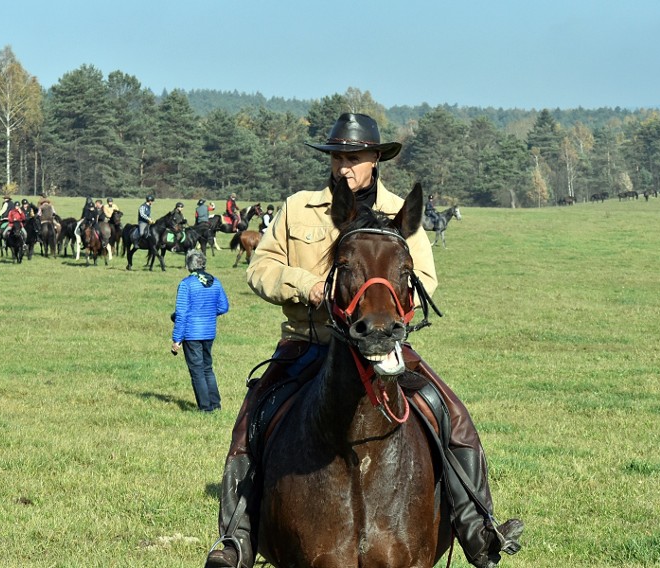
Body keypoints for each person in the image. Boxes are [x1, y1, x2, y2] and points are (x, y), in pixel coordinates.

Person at [205, 113, 523, 568]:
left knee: (448, 411)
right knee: (252, 418)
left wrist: (385, 311)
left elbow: (425, 277)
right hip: (307, 343)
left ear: (374, 159)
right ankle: (236, 539)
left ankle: (477, 525)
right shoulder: (298, 207)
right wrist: (306, 285)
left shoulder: (401, 213)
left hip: (382, 342)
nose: (343, 167)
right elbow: (260, 268)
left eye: (353, 158)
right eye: (338, 158)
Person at [172, 250, 229, 412]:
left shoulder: (186, 284)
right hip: (209, 331)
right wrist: (208, 314)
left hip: (192, 333)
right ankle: (215, 404)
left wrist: (177, 339)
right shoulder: (215, 282)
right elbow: (223, 307)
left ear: (188, 265)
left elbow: (181, 314)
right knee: (207, 368)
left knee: (197, 371)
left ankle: (205, 408)